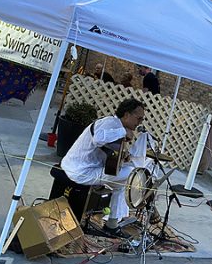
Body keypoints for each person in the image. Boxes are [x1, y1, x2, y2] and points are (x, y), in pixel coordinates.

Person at [61, 98, 149, 238]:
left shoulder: (115, 124)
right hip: (80, 170)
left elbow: (109, 151)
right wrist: (123, 132)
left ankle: (112, 225)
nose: (139, 123)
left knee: (120, 184)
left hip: (88, 168)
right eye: (138, 118)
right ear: (126, 115)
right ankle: (112, 224)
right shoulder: (110, 123)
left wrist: (122, 156)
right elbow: (98, 139)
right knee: (133, 172)